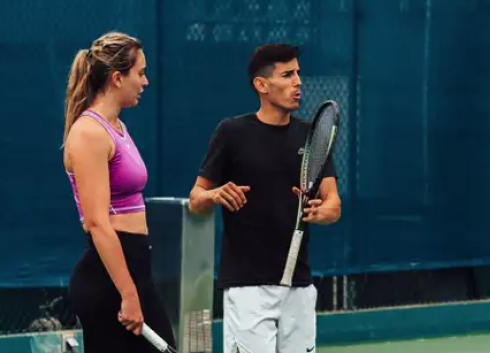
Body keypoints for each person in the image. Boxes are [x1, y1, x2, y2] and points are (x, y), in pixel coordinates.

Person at [188, 43, 342, 353]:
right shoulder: (231, 132)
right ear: (262, 85)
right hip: (248, 288)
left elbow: (333, 203)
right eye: (287, 75)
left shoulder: (311, 136)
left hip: (298, 285)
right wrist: (215, 194)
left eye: (298, 73)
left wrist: (321, 212)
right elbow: (196, 199)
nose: (298, 82)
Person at [62, 31, 176, 353]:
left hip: (136, 268)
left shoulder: (118, 129)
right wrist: (127, 294)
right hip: (107, 279)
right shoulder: (89, 133)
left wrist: (134, 287)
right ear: (116, 78)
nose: (145, 81)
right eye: (140, 73)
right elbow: (97, 223)